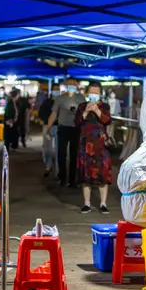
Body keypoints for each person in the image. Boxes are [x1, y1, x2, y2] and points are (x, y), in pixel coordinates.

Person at [74, 82, 112, 214]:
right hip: (85, 145)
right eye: (91, 92)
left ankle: (103, 203)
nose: (93, 95)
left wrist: (97, 110)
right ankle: (86, 203)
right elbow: (77, 122)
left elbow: (107, 120)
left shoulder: (104, 106)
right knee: (86, 175)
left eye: (96, 92)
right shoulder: (82, 106)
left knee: (103, 175)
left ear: (100, 93)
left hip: (101, 146)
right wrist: (85, 112)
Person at [46, 79, 86, 187]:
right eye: (69, 84)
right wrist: (48, 127)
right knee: (61, 154)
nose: (71, 86)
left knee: (74, 155)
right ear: (66, 85)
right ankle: (62, 177)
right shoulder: (60, 98)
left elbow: (85, 114)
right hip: (63, 128)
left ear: (77, 85)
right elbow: (54, 113)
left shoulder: (81, 99)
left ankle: (73, 180)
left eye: (73, 84)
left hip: (76, 129)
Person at [38, 94, 56, 177]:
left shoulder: (60, 101)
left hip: (57, 126)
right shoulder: (46, 102)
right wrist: (46, 120)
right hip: (47, 126)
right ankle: (48, 166)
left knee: (58, 149)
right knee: (47, 148)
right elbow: (40, 113)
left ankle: (58, 170)